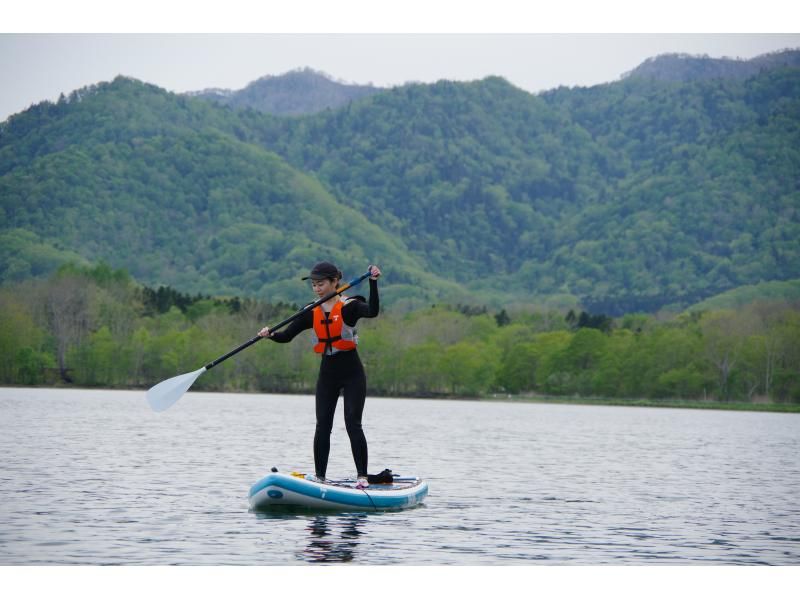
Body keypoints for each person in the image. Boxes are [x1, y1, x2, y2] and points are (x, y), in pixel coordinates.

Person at [258, 261, 381, 489]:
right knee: (322, 425)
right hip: (328, 374)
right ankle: (320, 477)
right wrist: (271, 334)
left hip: (352, 372)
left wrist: (373, 282)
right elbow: (286, 336)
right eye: (314, 285)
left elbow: (373, 311)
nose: (316, 288)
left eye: (321, 284)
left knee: (353, 423)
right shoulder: (310, 311)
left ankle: (362, 476)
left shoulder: (349, 307)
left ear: (335, 282)